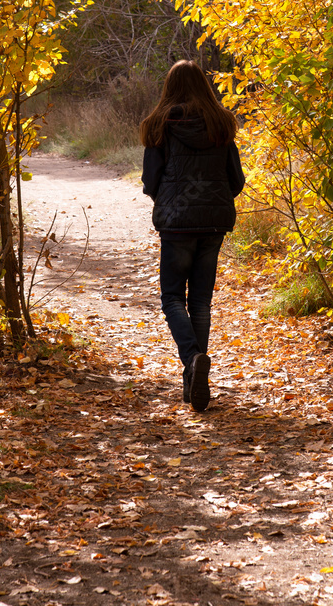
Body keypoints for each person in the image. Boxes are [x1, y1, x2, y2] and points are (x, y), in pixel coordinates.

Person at [140, 60, 245, 412]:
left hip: (176, 222)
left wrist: (170, 201)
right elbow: (236, 180)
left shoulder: (160, 124)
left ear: (170, 87)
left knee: (172, 297)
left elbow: (151, 181)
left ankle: (193, 359)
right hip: (214, 222)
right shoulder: (220, 123)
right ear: (204, 85)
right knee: (200, 301)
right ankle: (195, 378)